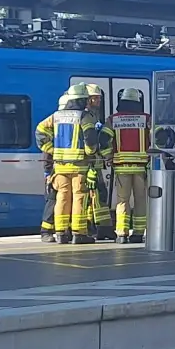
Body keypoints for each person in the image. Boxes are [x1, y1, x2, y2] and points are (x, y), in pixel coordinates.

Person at [37, 84, 110, 244]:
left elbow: (40, 131)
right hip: (79, 167)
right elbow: (90, 140)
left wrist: (53, 149)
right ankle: (79, 233)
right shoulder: (84, 117)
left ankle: (61, 233)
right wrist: (91, 153)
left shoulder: (56, 116)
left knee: (62, 198)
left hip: (60, 167)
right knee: (79, 198)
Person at [109, 88, 151, 244]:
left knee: (122, 201)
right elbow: (160, 135)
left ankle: (122, 233)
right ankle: (139, 233)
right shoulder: (147, 119)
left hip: (121, 168)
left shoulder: (113, 119)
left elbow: (105, 139)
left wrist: (108, 155)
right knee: (141, 200)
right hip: (141, 168)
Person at [36, 94, 71, 242]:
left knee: (62, 200)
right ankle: (46, 231)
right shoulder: (53, 136)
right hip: (54, 171)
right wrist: (47, 172)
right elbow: (47, 156)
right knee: (52, 200)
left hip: (60, 170)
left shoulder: (61, 132)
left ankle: (62, 230)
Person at [85, 86, 116, 241]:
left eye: (99, 98)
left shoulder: (93, 115)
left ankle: (102, 228)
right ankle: (95, 228)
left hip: (95, 165)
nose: (98, 100)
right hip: (89, 165)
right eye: (95, 98)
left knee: (98, 198)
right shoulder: (85, 116)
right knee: (93, 198)